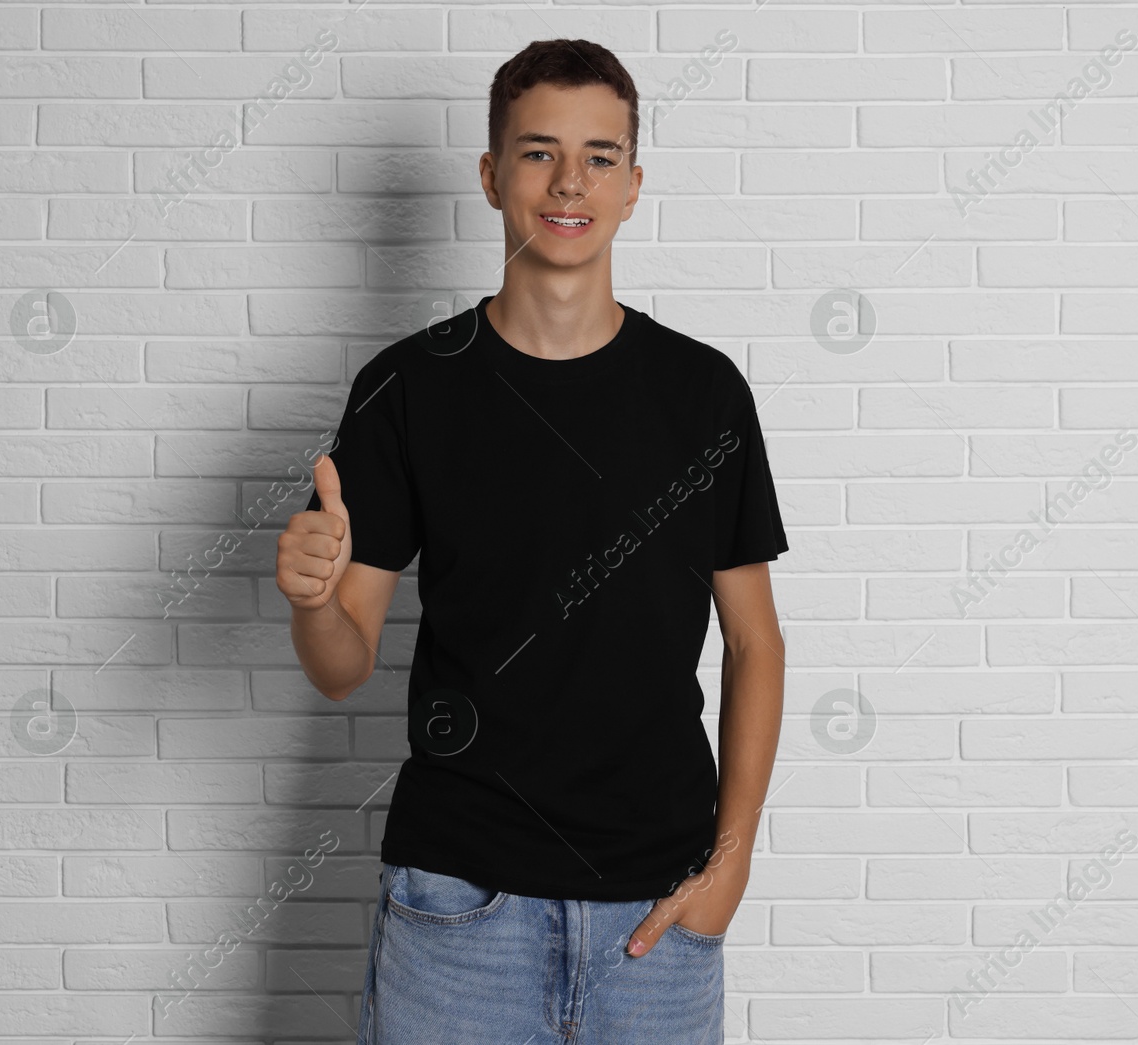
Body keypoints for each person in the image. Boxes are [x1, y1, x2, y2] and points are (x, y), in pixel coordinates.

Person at [276, 37, 787, 1044]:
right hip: (458, 909)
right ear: (491, 173)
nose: (569, 181)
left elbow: (757, 643)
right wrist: (309, 602)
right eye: (538, 151)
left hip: (659, 911)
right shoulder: (408, 388)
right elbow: (342, 665)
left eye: (600, 156)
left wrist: (730, 866)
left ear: (633, 185)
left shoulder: (703, 394)